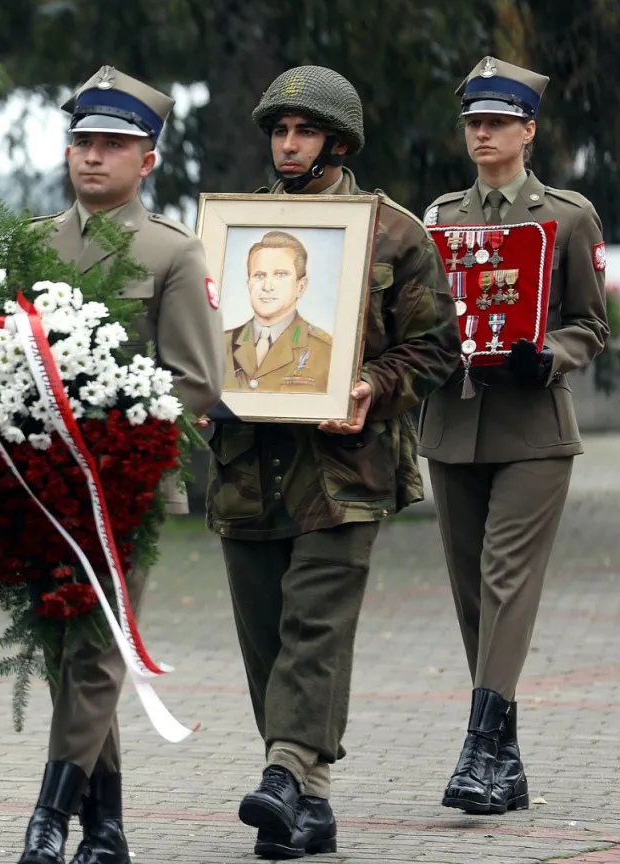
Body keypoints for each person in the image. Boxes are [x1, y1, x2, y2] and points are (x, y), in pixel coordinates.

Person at [205, 65, 458, 859]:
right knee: (267, 639)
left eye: (303, 131)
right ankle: (308, 804)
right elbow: (198, 339)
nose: (287, 144)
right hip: (247, 469)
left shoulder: (393, 232)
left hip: (346, 471)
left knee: (315, 625)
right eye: (278, 131)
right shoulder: (233, 231)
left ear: (337, 142)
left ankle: (282, 772)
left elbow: (437, 349)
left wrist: (369, 386)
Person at [15, 65, 223, 864]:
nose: (93, 157)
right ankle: (108, 830)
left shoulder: (172, 250)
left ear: (149, 160)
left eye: (113, 145)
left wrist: (106, 418)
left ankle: (49, 816)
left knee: (98, 651)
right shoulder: (33, 244)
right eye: (83, 142)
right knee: (68, 653)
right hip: (39, 486)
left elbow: (198, 379)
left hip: (126, 485)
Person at [421, 56, 609, 816]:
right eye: (473, 121)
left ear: (528, 130)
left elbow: (591, 326)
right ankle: (503, 761)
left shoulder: (568, 215)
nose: (482, 133)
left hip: (534, 427)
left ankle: (476, 748)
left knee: (505, 581)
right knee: (473, 597)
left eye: (496, 120)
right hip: (453, 424)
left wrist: (549, 356)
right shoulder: (436, 219)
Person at [224, 230, 333, 393]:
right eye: (259, 275)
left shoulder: (327, 351)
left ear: (300, 286)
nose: (267, 286)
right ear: (249, 284)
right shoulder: (217, 345)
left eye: (280, 275)